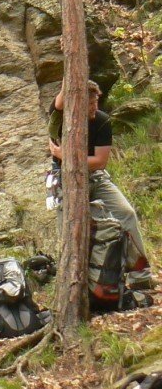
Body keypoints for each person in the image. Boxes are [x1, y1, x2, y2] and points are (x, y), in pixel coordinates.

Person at [49, 78, 149, 272]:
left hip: (97, 177)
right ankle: (73, 276)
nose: (95, 108)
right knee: (68, 229)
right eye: (90, 104)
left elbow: (99, 161)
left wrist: (67, 156)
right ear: (77, 103)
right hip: (65, 179)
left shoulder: (102, 121)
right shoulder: (61, 117)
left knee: (126, 214)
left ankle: (140, 273)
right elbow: (62, 97)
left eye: (97, 102)